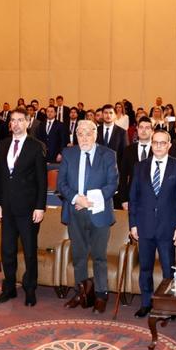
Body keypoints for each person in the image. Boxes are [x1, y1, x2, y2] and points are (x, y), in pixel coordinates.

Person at [57, 120, 118, 313]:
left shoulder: (108, 154)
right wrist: (77, 198)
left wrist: (90, 200)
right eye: (80, 134)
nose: (84, 138)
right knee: (79, 256)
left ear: (95, 135)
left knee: (99, 256)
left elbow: (112, 184)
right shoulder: (69, 154)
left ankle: (101, 295)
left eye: (88, 133)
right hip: (75, 212)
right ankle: (81, 292)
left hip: (99, 212)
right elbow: (61, 184)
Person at [129, 129, 176, 318]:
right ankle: (146, 303)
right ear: (151, 144)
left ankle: (168, 306)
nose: (158, 146)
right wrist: (133, 224)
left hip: (168, 228)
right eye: (155, 142)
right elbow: (133, 198)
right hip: (144, 226)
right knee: (145, 268)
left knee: (168, 269)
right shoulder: (140, 166)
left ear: (169, 145)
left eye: (163, 143)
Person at [0, 108, 47, 307]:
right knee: (7, 250)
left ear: (28, 122)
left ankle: (30, 289)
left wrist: (40, 207)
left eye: (20, 120)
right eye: (13, 120)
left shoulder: (36, 146)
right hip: (6, 208)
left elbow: (42, 180)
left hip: (29, 209)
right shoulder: (2, 145)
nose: (16, 124)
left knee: (30, 252)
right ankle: (9, 288)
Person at [118, 117, 154, 209]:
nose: (143, 130)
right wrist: (124, 199)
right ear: (137, 129)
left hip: (153, 198)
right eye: (141, 127)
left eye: (147, 128)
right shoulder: (128, 150)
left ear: (152, 131)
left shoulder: (157, 150)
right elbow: (123, 176)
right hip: (132, 197)